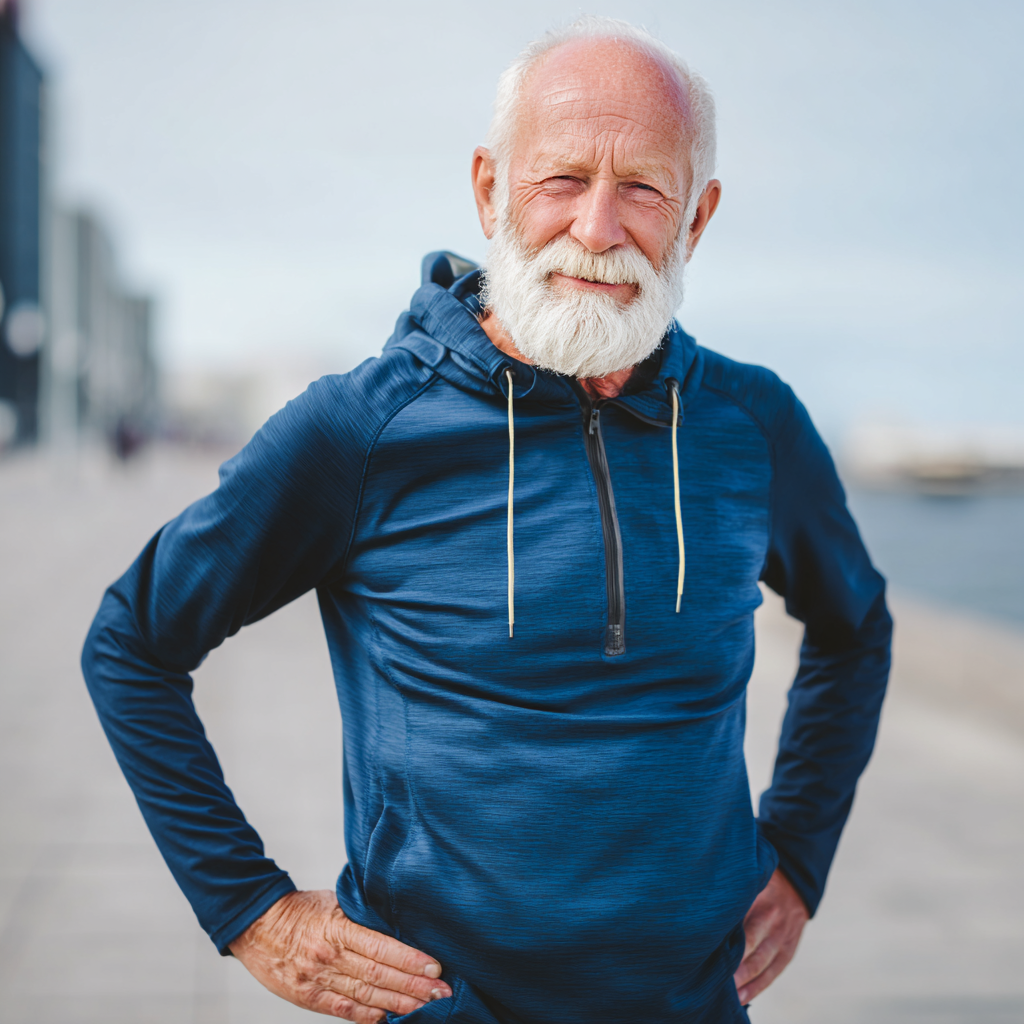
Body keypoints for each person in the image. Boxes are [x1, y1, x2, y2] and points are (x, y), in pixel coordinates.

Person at [82, 16, 891, 1024]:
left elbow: (857, 627)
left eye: (643, 187)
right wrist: (249, 908)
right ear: (487, 189)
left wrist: (801, 853)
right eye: (561, 180)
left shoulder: (752, 423)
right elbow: (131, 643)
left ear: (698, 217)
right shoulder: (366, 427)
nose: (597, 230)